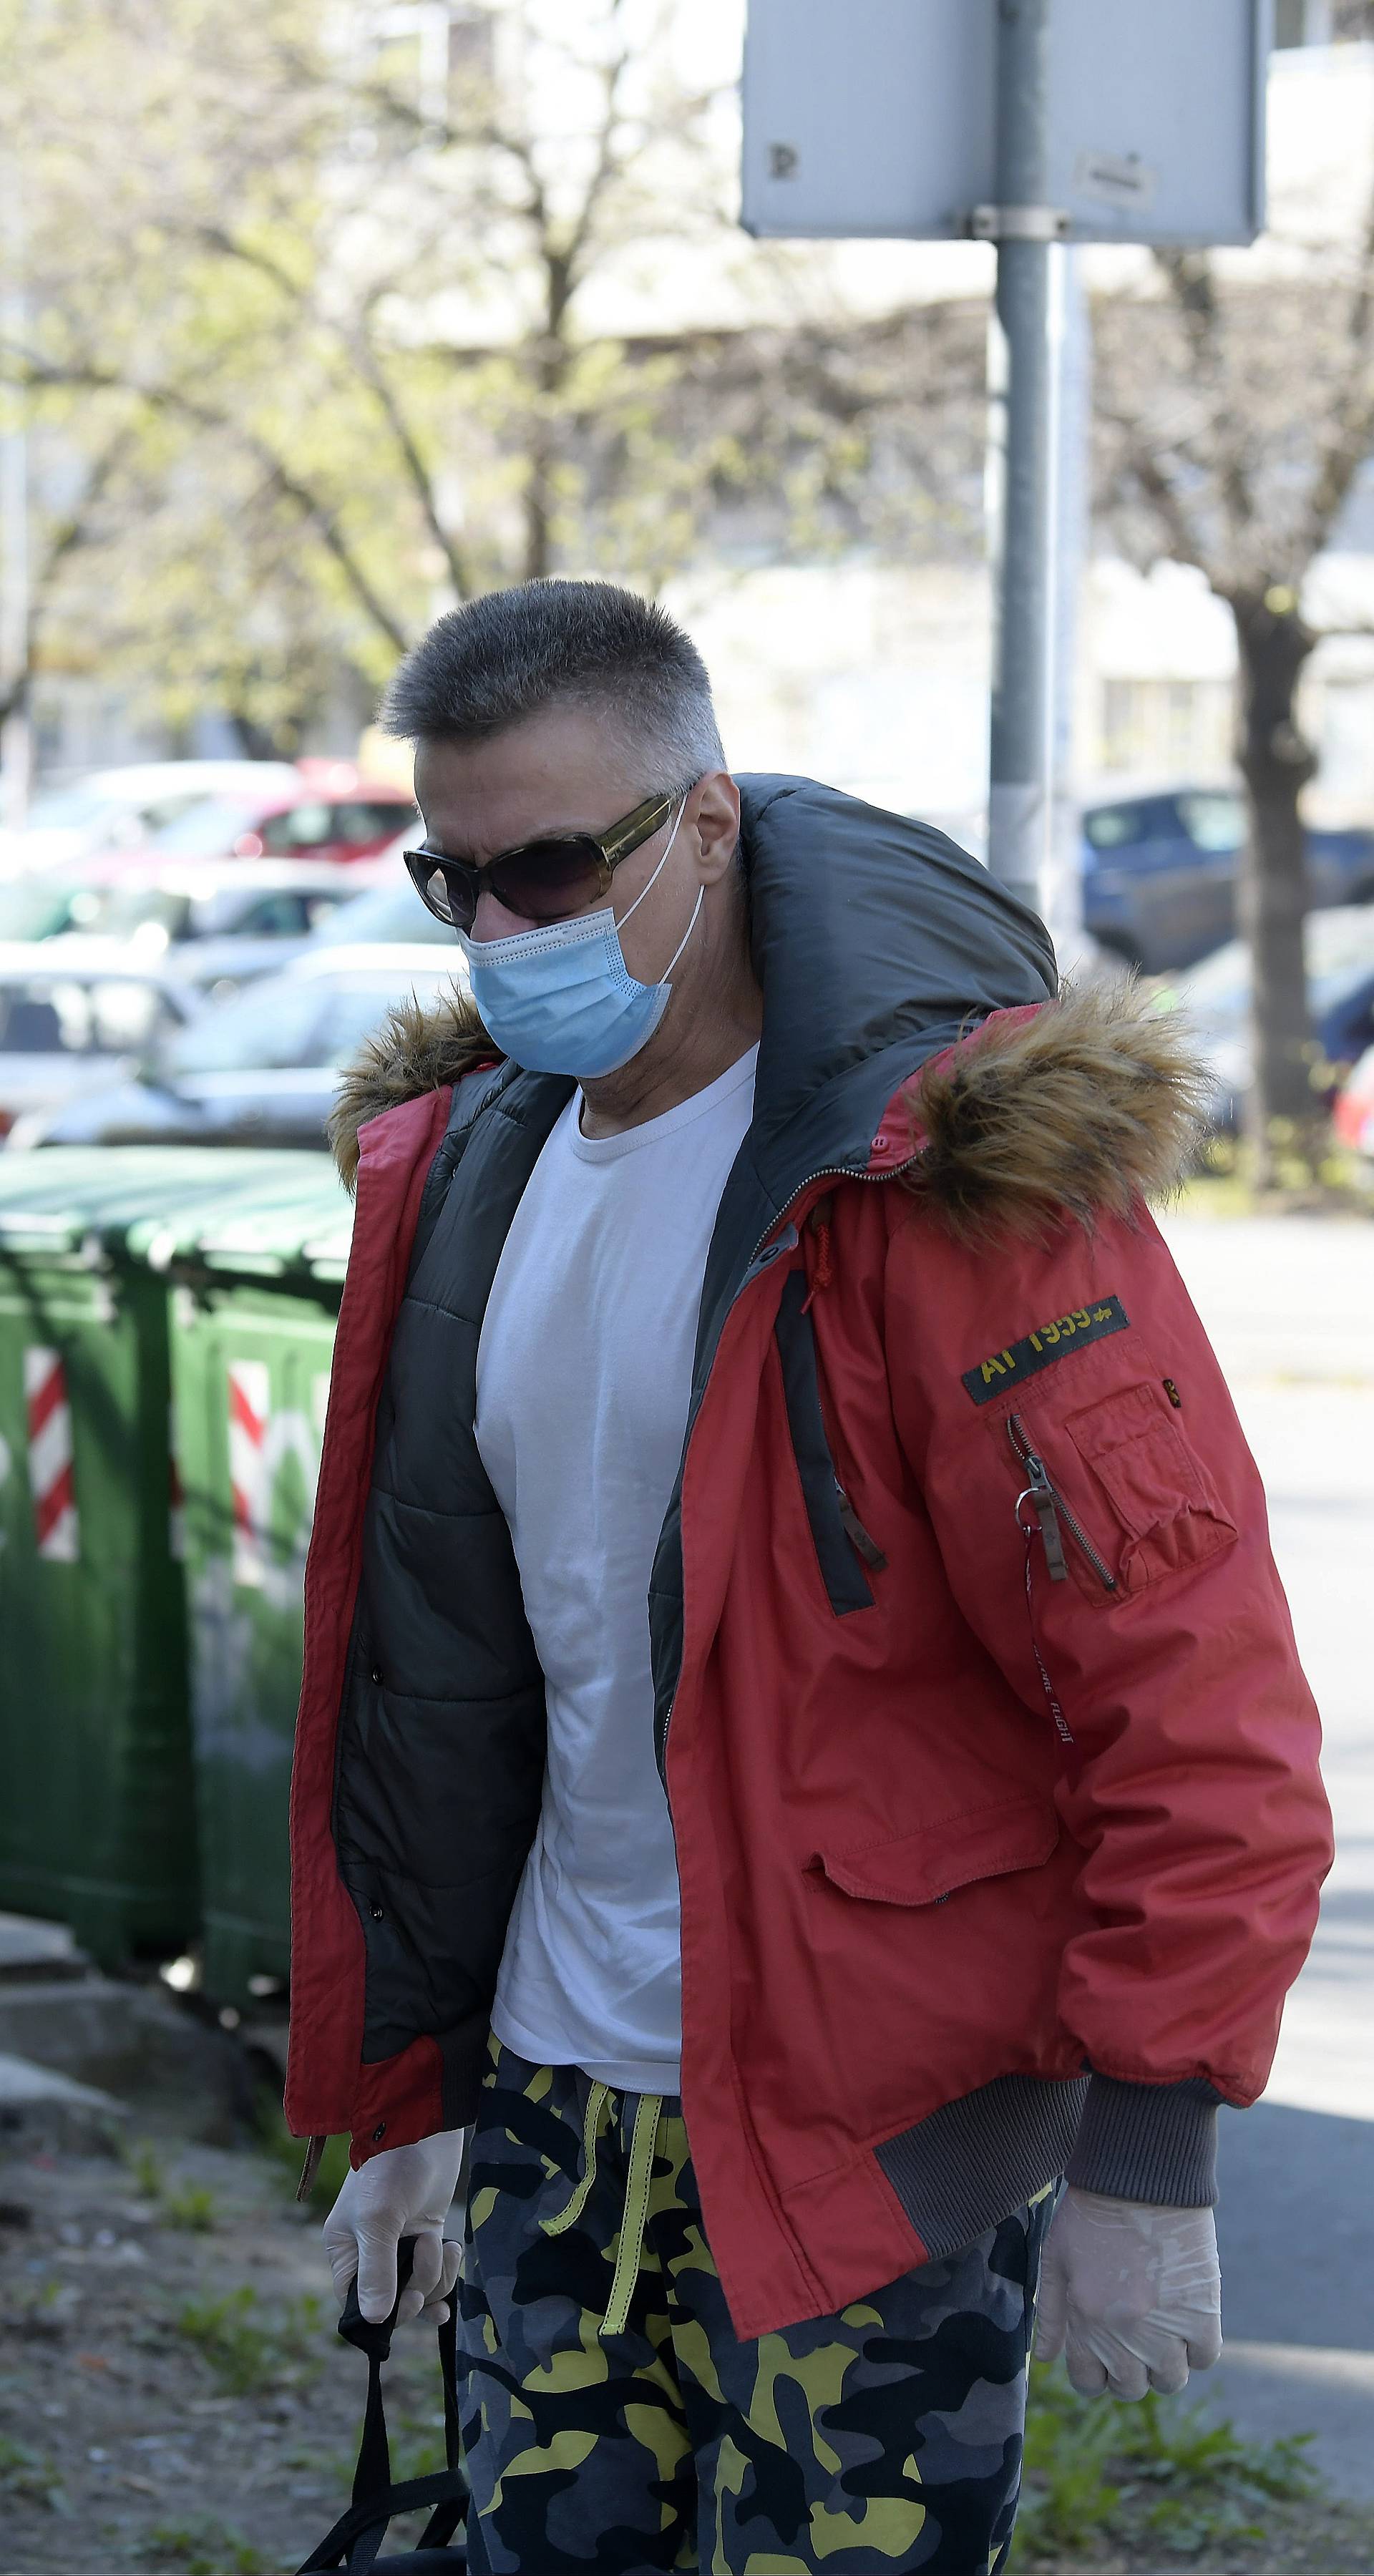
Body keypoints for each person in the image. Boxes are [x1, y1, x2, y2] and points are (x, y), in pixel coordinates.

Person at [287, 578, 1331, 2575]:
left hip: (878, 2139)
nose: (507, 926)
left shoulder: (948, 1183)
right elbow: (446, 1680)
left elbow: (1189, 1686)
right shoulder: (466, 1175)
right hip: (552, 2107)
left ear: (705, 823)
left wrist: (1148, 2156)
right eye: (457, 877)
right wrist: (414, 2083)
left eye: (549, 866)